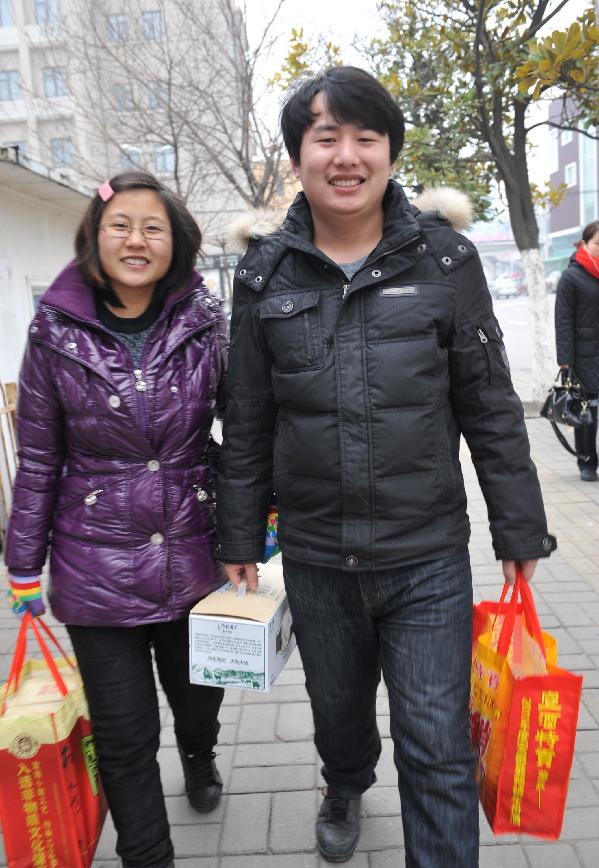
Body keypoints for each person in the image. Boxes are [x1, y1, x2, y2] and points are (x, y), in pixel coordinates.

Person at [215, 65, 556, 867]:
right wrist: (235, 534)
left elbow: (489, 405)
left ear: (390, 153)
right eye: (324, 136)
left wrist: (519, 528)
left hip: (426, 556)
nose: (346, 155)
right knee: (337, 717)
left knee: (435, 747)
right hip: (314, 556)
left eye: (365, 136)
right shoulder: (263, 275)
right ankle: (342, 782)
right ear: (297, 156)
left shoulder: (445, 263)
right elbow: (249, 419)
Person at [5, 170, 227, 868]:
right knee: (125, 738)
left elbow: (248, 432)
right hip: (95, 567)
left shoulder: (206, 322)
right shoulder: (52, 332)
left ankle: (198, 751)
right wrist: (21, 566)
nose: (136, 239)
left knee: (197, 704)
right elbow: (38, 457)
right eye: (120, 225)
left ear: (176, 243)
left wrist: (258, 525)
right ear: (94, 239)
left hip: (195, 558)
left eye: (152, 227)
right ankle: (147, 856)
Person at [555, 220, 599, 482]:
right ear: (584, 243)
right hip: (584, 356)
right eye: (597, 244)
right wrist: (565, 360)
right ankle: (586, 461)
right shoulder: (572, 276)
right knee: (587, 412)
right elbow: (563, 320)